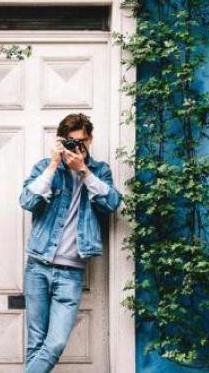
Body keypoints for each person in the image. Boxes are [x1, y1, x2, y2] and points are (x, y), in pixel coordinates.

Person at [18, 113, 123, 373]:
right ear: (62, 141)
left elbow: (112, 203)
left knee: (54, 344)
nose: (78, 147)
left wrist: (84, 172)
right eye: (72, 142)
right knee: (35, 343)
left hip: (71, 272)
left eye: (82, 141)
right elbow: (27, 202)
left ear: (90, 139)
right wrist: (54, 164)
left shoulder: (99, 171)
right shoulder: (45, 166)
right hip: (38, 265)